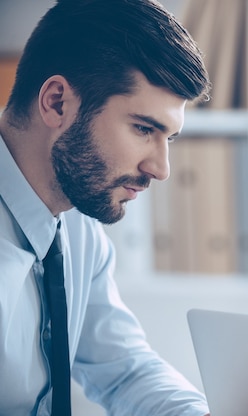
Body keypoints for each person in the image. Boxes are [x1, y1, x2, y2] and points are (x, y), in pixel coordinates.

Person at [0, 0, 212, 414]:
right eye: (143, 128)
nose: (161, 169)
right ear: (57, 102)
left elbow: (123, 369)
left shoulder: (76, 222)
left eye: (167, 138)